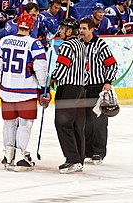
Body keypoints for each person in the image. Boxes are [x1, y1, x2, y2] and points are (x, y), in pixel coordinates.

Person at [0, 12, 49, 172]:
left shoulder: (3, 41)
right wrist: (43, 88)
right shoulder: (34, 44)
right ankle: (21, 156)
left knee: (9, 123)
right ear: (31, 26)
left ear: (18, 25)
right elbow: (40, 68)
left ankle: (8, 155)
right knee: (25, 124)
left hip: (7, 90)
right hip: (27, 91)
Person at [79, 17, 118, 164]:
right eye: (80, 28)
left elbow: (112, 65)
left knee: (99, 122)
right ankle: (87, 151)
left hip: (97, 87)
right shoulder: (78, 44)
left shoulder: (100, 45)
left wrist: (108, 82)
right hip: (82, 88)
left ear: (91, 29)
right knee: (84, 122)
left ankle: (98, 152)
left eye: (84, 29)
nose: (81, 31)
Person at [51, 18, 87, 173]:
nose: (60, 31)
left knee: (63, 124)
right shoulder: (81, 44)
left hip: (68, 89)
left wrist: (52, 77)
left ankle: (72, 159)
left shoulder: (66, 46)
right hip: (80, 88)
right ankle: (79, 158)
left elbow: (62, 67)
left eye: (63, 28)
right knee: (76, 125)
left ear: (70, 31)